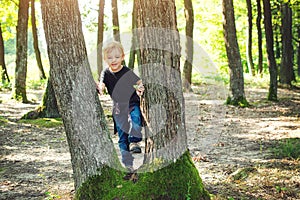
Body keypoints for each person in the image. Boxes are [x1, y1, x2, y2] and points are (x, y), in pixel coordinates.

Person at [96, 41, 144, 172]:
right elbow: (102, 85)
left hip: (132, 103)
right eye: (110, 58)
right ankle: (128, 164)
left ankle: (134, 141)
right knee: (122, 136)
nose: (114, 60)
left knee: (135, 118)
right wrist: (100, 87)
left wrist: (140, 87)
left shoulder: (127, 71)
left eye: (117, 57)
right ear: (105, 59)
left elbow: (139, 82)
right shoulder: (105, 73)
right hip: (118, 107)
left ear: (122, 57)